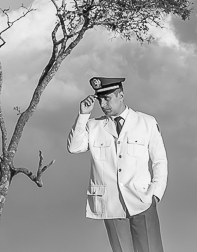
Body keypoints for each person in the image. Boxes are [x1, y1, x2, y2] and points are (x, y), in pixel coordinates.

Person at [67, 76, 168, 252]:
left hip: (142, 200)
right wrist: (83, 115)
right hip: (111, 203)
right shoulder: (94, 126)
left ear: (120, 95)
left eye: (107, 98)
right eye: (100, 99)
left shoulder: (146, 122)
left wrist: (155, 194)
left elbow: (159, 160)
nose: (103, 104)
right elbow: (74, 147)